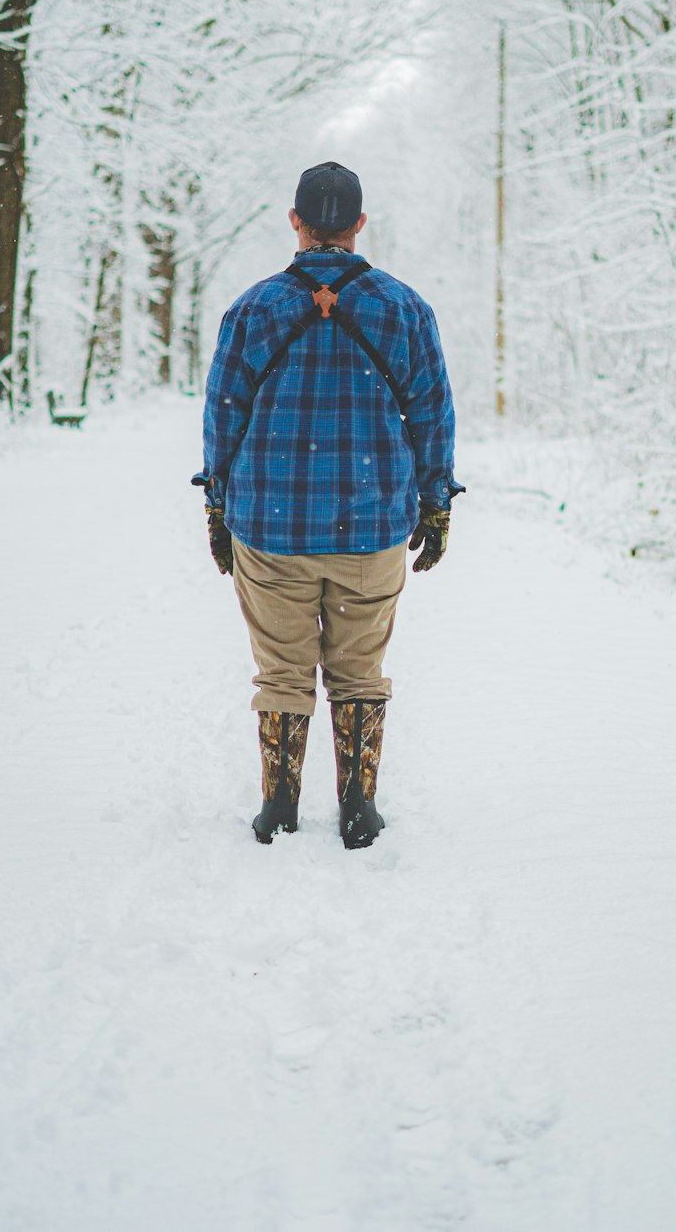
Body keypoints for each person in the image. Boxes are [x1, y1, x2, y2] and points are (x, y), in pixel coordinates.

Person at [193, 161, 463, 848]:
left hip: (271, 526)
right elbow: (432, 412)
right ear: (359, 225)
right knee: (359, 668)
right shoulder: (403, 308)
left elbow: (224, 416)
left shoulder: (254, 308)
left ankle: (278, 807)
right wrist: (435, 502)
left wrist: (219, 508)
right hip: (370, 527)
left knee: (281, 669)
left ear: (296, 221)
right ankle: (358, 809)